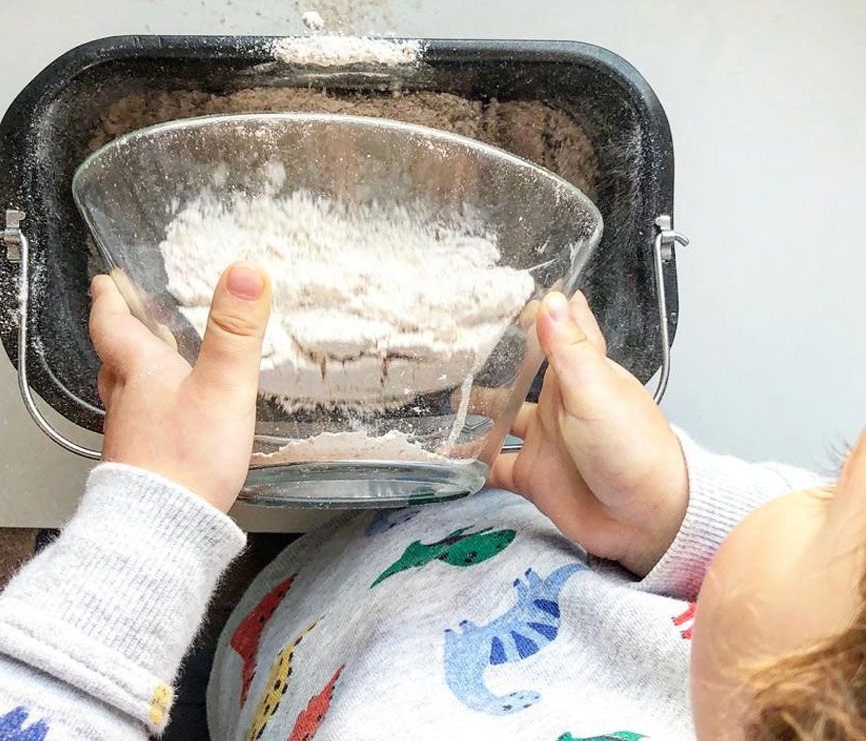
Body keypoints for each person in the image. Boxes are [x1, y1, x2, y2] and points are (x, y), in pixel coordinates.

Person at [0, 263, 854, 740]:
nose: (801, 492)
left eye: (831, 488)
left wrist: (154, 518)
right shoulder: (783, 665)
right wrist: (678, 514)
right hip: (327, 585)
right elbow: (793, 598)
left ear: (783, 706)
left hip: (179, 670)